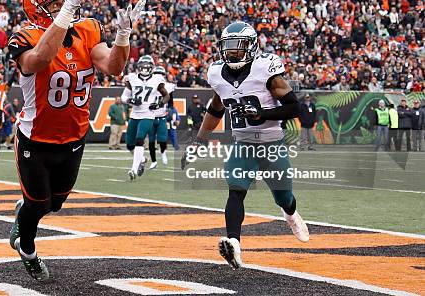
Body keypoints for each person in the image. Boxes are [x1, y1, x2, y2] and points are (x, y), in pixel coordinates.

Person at [6, 0, 145, 281]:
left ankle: (26, 213)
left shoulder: (87, 30)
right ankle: (27, 250)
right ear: (37, 10)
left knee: (54, 205)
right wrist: (65, 15)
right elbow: (39, 59)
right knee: (37, 203)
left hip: (74, 137)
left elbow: (113, 67)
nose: (67, 5)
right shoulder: (25, 35)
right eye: (56, 3)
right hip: (35, 138)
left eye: (65, 0)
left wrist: (124, 34)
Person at [182, 21, 308, 270]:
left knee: (284, 198)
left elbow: (296, 107)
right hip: (243, 144)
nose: (231, 53)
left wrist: (263, 115)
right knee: (236, 190)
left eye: (237, 48)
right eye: (228, 48)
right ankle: (234, 244)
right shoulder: (217, 73)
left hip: (272, 144)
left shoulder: (265, 70)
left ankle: (291, 215)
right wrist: (199, 141)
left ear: (251, 47)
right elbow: (216, 108)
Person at [121, 55, 169, 179]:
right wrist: (130, 100)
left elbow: (166, 96)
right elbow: (123, 97)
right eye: (143, 66)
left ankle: (133, 169)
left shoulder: (157, 79)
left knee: (140, 138)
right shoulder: (132, 78)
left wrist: (159, 104)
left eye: (147, 67)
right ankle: (142, 159)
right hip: (134, 114)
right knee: (129, 145)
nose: (145, 69)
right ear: (138, 67)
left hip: (148, 114)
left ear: (152, 67)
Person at [147, 65, 175, 169]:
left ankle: (163, 153)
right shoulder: (148, 85)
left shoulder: (168, 86)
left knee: (163, 139)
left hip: (162, 116)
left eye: (160, 75)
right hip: (151, 116)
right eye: (156, 74)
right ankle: (153, 161)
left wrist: (170, 110)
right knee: (151, 140)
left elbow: (171, 101)